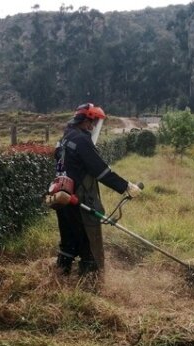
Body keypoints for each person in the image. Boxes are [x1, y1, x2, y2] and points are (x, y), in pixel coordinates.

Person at [53, 103, 142, 279]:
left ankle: (60, 278)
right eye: (93, 123)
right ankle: (90, 285)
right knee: (89, 244)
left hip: (61, 196)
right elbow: (100, 171)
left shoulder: (64, 138)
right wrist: (126, 186)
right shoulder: (81, 140)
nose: (93, 127)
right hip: (78, 199)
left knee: (68, 241)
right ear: (86, 120)